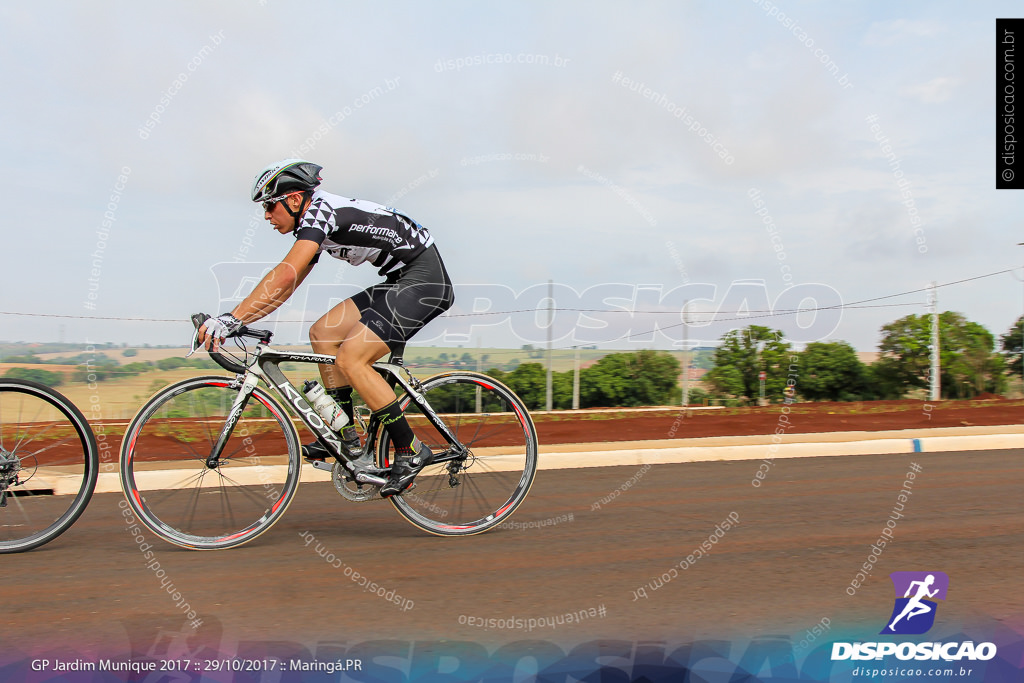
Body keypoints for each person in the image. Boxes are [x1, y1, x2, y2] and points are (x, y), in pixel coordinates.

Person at [198, 159, 454, 497]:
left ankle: (410, 450)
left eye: (269, 206)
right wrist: (242, 320)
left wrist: (231, 319)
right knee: (323, 332)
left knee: (352, 359)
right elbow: (287, 286)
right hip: (400, 279)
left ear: (292, 199)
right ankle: (346, 437)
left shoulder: (320, 212)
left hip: (424, 281)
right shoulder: (314, 217)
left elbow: (286, 272)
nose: (266, 216)